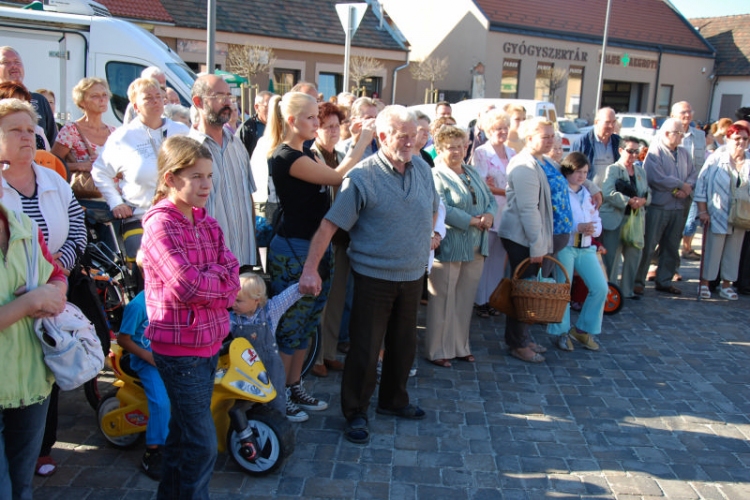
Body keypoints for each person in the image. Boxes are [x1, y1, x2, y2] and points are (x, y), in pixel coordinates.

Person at [298, 105, 438, 445]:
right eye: (402, 137)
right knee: (365, 347)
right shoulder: (362, 177)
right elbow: (330, 225)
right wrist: (310, 268)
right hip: (375, 276)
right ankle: (356, 411)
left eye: (413, 136)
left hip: (412, 274)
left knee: (404, 345)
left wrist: (423, 242)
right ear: (382, 136)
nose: (409, 143)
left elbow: (433, 207)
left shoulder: (420, 166)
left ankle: (393, 401)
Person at [140, 135, 240, 499]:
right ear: (170, 178)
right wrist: (219, 286)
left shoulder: (206, 222)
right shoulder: (160, 225)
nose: (206, 185)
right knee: (200, 444)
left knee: (183, 437)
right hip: (180, 348)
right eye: (196, 176)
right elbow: (187, 285)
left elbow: (233, 275)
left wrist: (216, 284)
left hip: (208, 341)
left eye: (209, 176)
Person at [266, 91, 354, 422]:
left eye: (318, 117)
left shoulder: (305, 152)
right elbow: (337, 177)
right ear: (292, 121)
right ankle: (279, 394)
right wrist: (363, 141)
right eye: (311, 118)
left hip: (317, 246)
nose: (317, 123)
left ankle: (294, 385)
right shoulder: (285, 157)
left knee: (307, 323)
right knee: (290, 325)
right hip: (295, 250)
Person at [0, 151, 67, 500]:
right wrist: (29, 302)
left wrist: (54, 292)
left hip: (30, 379)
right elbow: (33, 297)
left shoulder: (21, 225)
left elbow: (55, 273)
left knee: (22, 486)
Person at [92, 77, 190, 265]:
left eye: (159, 97)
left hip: (180, 216)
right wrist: (115, 202)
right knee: (148, 266)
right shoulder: (123, 136)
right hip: (141, 217)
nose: (155, 101)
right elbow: (100, 171)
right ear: (135, 106)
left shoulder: (181, 131)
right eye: (148, 98)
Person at [310, 102, 374, 378]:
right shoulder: (312, 156)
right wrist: (361, 141)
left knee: (336, 299)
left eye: (337, 126)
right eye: (328, 127)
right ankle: (314, 356)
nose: (334, 132)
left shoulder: (337, 152)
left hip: (343, 237)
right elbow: (336, 179)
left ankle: (329, 352)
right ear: (317, 129)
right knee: (320, 302)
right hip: (321, 237)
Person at [425, 124, 496, 367]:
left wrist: (489, 215)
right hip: (450, 245)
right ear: (439, 149)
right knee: (443, 299)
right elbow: (442, 207)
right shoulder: (435, 175)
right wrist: (473, 221)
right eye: (450, 148)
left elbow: (489, 198)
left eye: (460, 146)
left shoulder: (472, 171)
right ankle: (437, 349)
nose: (457, 151)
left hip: (477, 244)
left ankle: (459, 346)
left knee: (465, 299)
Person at [497, 117, 561, 363]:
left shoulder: (540, 161)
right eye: (545, 136)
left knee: (528, 289)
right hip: (522, 239)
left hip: (530, 238)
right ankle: (517, 343)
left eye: (551, 135)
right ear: (529, 138)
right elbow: (528, 210)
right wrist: (537, 245)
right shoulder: (524, 165)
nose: (551, 140)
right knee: (523, 291)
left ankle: (523, 337)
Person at [189, 74, 257, 268]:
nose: (228, 102)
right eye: (219, 96)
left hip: (243, 257)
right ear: (198, 102)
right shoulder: (188, 150)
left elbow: (248, 197)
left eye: (230, 96)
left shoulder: (237, 144)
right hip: (209, 262)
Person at [547, 152, 607, 351]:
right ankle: (560, 332)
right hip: (566, 246)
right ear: (567, 171)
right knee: (564, 289)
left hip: (586, 246)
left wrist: (593, 229)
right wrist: (577, 227)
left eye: (585, 172)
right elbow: (557, 218)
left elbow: (596, 220)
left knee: (600, 287)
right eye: (578, 172)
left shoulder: (587, 193)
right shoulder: (560, 190)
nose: (581, 176)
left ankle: (582, 330)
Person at [51, 77, 117, 248]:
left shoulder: (114, 132)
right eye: (95, 96)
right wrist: (81, 165)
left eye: (104, 95)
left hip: (112, 198)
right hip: (85, 200)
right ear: (82, 101)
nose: (102, 100)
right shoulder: (70, 130)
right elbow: (52, 165)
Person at [634, 118, 698, 295]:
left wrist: (687, 188)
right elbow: (656, 178)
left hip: (679, 207)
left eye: (682, 133)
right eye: (678, 133)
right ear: (667, 133)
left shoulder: (684, 153)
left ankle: (664, 280)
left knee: (671, 246)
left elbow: (693, 174)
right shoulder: (655, 152)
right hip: (659, 207)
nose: (681, 137)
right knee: (648, 245)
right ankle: (638, 280)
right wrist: (679, 184)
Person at [229, 273, 304, 417]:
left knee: (276, 398)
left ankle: (278, 423)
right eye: (232, 298)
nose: (233, 304)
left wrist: (302, 287)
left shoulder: (270, 311)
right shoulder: (231, 319)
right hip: (244, 368)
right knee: (244, 401)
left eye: (238, 300)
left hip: (270, 366)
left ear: (256, 300)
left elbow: (287, 297)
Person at [116, 284, 170, 481]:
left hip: (168, 357)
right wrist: (147, 357)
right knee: (161, 402)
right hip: (146, 361)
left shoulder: (172, 299)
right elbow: (123, 339)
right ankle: (153, 451)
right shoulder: (138, 306)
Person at [694, 123, 750, 300]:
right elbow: (701, 185)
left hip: (741, 214)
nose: (741, 142)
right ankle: (705, 283)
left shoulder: (749, 161)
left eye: (745, 139)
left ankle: (727, 284)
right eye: (737, 138)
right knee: (713, 249)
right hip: (717, 212)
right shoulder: (717, 158)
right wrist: (702, 211)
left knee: (733, 251)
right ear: (728, 139)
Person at [471, 109, 516, 317]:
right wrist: (504, 190)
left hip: (508, 213)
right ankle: (479, 300)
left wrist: (502, 188)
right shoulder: (482, 153)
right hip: (489, 211)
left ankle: (492, 298)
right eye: (499, 128)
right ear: (489, 130)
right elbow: (481, 184)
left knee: (499, 258)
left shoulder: (512, 153)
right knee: (484, 257)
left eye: (506, 128)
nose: (503, 132)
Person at [599, 136, 651, 300]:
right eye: (630, 151)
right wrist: (628, 201)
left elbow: (648, 193)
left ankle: (627, 291)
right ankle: (611, 291)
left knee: (634, 255)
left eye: (637, 151)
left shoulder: (640, 171)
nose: (634, 155)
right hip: (616, 218)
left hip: (635, 220)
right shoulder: (613, 169)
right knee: (612, 258)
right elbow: (608, 193)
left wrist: (643, 201)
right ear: (621, 150)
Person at [0, 46, 57, 146]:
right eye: (6, 62)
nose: (13, 66)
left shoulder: (40, 100)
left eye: (17, 62)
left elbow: (52, 143)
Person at [672, 101, 707, 261]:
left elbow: (700, 165)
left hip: (692, 189)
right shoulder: (666, 134)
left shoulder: (699, 135)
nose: (687, 115)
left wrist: (690, 187)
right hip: (671, 191)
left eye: (689, 111)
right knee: (667, 232)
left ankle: (674, 268)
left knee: (685, 227)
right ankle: (657, 266)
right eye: (683, 112)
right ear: (673, 116)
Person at [570, 107, 621, 188]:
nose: (611, 126)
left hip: (612, 197)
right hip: (589, 195)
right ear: (596, 122)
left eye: (614, 122)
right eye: (607, 122)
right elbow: (571, 171)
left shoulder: (618, 142)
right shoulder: (582, 143)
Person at [0, 81, 50, 150]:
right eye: (14, 104)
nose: (20, 108)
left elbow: (47, 158)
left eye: (23, 104)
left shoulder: (37, 132)